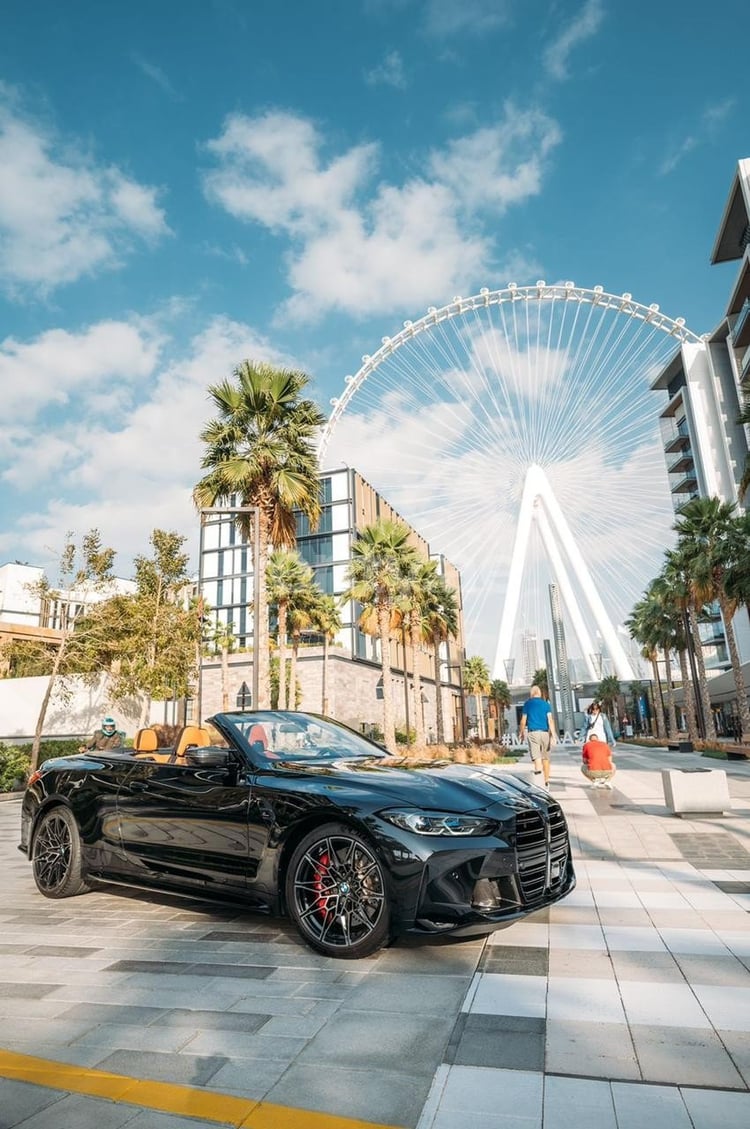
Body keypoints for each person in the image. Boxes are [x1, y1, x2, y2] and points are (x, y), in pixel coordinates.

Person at [518, 685, 558, 786]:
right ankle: (546, 781)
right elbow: (550, 720)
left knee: (537, 758)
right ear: (539, 694)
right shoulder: (546, 704)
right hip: (545, 733)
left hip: (533, 733)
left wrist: (521, 732)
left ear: (531, 694)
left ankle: (539, 782)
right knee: (546, 758)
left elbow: (523, 720)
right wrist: (553, 735)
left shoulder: (528, 704)